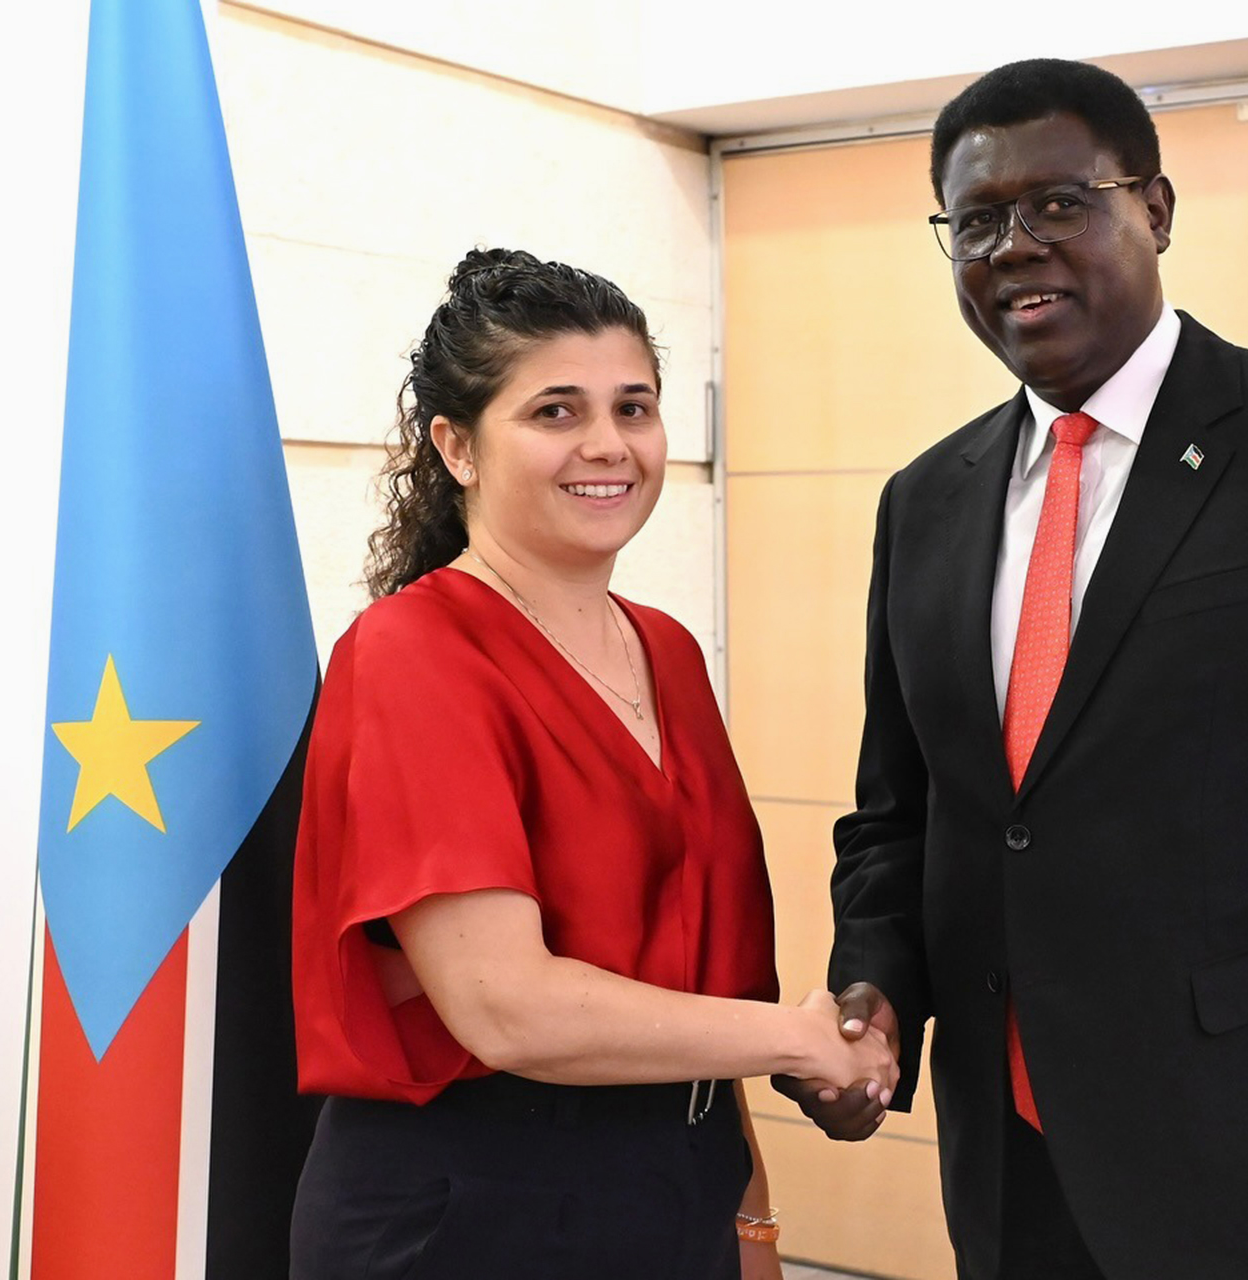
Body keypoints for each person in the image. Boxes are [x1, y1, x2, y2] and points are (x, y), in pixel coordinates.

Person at [776, 60, 1248, 1279]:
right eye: (977, 221)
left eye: (1060, 203)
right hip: (1010, 1162)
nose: (1016, 245)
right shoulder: (926, 500)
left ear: (1155, 209)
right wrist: (876, 990)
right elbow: (904, 816)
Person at [289, 249, 897, 1280]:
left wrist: (751, 1221)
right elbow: (504, 1006)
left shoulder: (667, 650)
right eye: (555, 411)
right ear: (456, 445)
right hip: (471, 1215)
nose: (609, 444)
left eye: (634, 407)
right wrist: (795, 1038)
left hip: (676, 1191)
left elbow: (692, 992)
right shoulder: (411, 651)